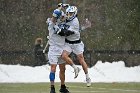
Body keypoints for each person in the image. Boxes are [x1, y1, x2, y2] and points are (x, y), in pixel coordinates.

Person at [47, 3, 80, 93]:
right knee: (53, 68)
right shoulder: (52, 23)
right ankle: (52, 88)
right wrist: (59, 8)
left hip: (62, 48)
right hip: (53, 49)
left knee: (62, 69)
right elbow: (54, 16)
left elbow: (68, 16)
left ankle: (62, 86)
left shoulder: (62, 23)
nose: (63, 18)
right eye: (61, 17)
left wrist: (65, 7)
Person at [61, 6, 91, 87]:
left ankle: (87, 77)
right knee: (63, 56)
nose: (68, 15)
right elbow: (61, 17)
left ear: (74, 14)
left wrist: (59, 30)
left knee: (81, 60)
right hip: (68, 43)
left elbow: (67, 33)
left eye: (70, 13)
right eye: (67, 13)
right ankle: (75, 67)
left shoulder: (75, 22)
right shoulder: (67, 18)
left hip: (76, 43)